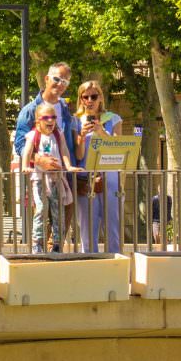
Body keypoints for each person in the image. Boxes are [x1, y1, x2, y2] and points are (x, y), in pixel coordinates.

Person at [74, 80, 122, 253]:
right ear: (80, 99)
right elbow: (78, 156)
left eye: (94, 96)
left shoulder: (113, 118)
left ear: (100, 97)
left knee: (112, 227)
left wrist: (101, 132)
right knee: (87, 229)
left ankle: (117, 268)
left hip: (109, 178)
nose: (89, 100)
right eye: (85, 97)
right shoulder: (75, 121)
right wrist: (81, 136)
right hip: (86, 179)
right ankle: (89, 267)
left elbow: (119, 148)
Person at [21, 105, 75, 253]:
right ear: (38, 121)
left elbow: (64, 150)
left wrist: (68, 166)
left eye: (53, 117)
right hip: (40, 179)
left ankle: (57, 243)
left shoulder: (58, 133)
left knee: (58, 210)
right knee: (41, 209)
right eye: (46, 118)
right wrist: (26, 165)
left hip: (56, 178)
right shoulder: (33, 135)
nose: (51, 120)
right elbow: (27, 151)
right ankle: (36, 243)